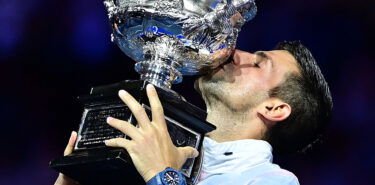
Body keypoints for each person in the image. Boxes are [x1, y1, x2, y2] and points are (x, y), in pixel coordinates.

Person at [54, 41, 332, 185]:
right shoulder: (161, 147)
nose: (237, 53)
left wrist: (161, 174)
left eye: (258, 65)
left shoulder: (271, 180)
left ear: (274, 108)